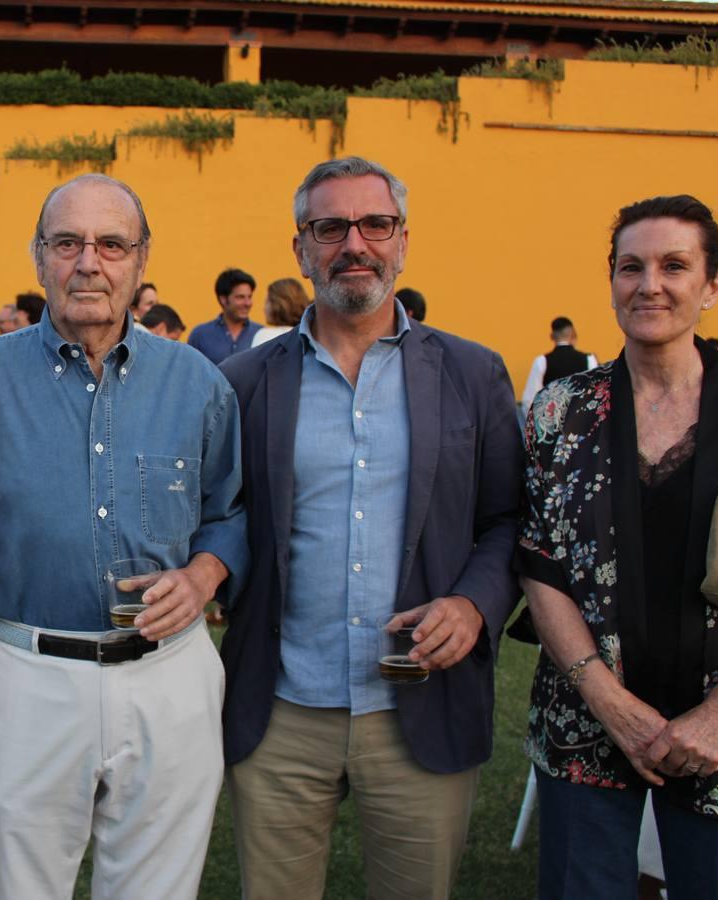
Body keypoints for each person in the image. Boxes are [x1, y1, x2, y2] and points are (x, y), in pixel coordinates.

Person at [0, 173, 248, 900]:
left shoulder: (198, 382)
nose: (89, 262)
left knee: (157, 887)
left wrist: (202, 577)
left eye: (112, 244)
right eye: (67, 242)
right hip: (27, 676)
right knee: (28, 886)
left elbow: (231, 509)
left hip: (170, 675)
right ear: (38, 255)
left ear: (140, 262)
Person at [219, 156, 523, 900]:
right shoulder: (244, 383)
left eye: (374, 224)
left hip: (421, 704)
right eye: (331, 227)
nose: (354, 243)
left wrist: (474, 604)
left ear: (402, 240)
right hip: (282, 709)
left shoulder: (473, 374)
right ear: (301, 248)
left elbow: (510, 518)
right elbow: (215, 517)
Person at [519, 194, 718, 899]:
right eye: (630, 266)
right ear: (610, 279)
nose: (650, 285)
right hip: (584, 721)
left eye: (676, 265)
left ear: (711, 285)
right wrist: (606, 698)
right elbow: (539, 561)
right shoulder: (561, 409)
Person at [519, 315, 599, 416]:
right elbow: (595, 395)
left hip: (551, 425)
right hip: (580, 423)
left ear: (552, 336)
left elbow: (529, 400)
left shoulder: (542, 361)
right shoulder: (589, 359)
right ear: (572, 334)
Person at [188, 267, 262, 364]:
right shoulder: (200, 335)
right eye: (240, 297)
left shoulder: (261, 334)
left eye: (249, 297)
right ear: (223, 299)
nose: (247, 303)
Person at [251, 276, 311, 346]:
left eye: (267, 301)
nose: (264, 308)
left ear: (277, 304)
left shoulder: (264, 335)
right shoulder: (311, 335)